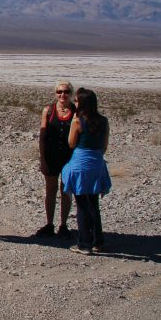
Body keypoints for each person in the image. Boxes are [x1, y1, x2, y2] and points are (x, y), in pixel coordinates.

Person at [61, 88, 111, 255]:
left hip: (80, 165)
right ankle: (99, 241)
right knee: (94, 203)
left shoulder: (78, 121)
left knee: (82, 205)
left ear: (82, 103)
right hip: (97, 164)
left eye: (76, 101)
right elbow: (104, 145)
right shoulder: (103, 121)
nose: (74, 103)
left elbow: (70, 142)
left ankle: (84, 243)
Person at [34, 80, 75, 238]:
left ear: (70, 93)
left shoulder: (75, 110)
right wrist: (42, 159)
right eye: (59, 92)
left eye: (65, 92)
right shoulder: (49, 110)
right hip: (51, 157)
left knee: (66, 191)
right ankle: (49, 223)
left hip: (69, 158)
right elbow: (43, 136)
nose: (62, 95)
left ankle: (63, 225)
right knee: (50, 191)